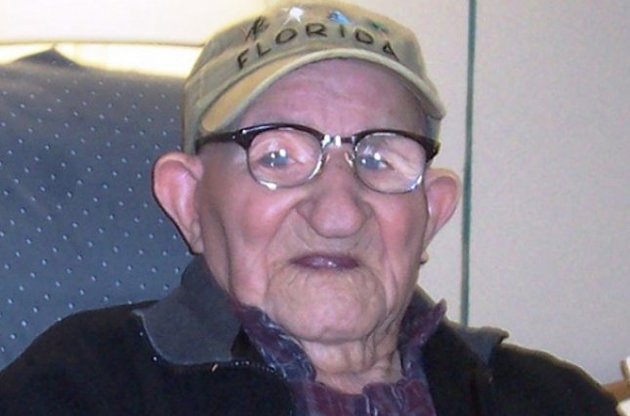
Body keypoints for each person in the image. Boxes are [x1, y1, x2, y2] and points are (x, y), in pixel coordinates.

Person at [0, 1, 617, 414]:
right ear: (187, 200)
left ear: (432, 210)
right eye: (277, 156)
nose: (338, 214)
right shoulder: (81, 388)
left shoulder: (551, 398)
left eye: (379, 158)